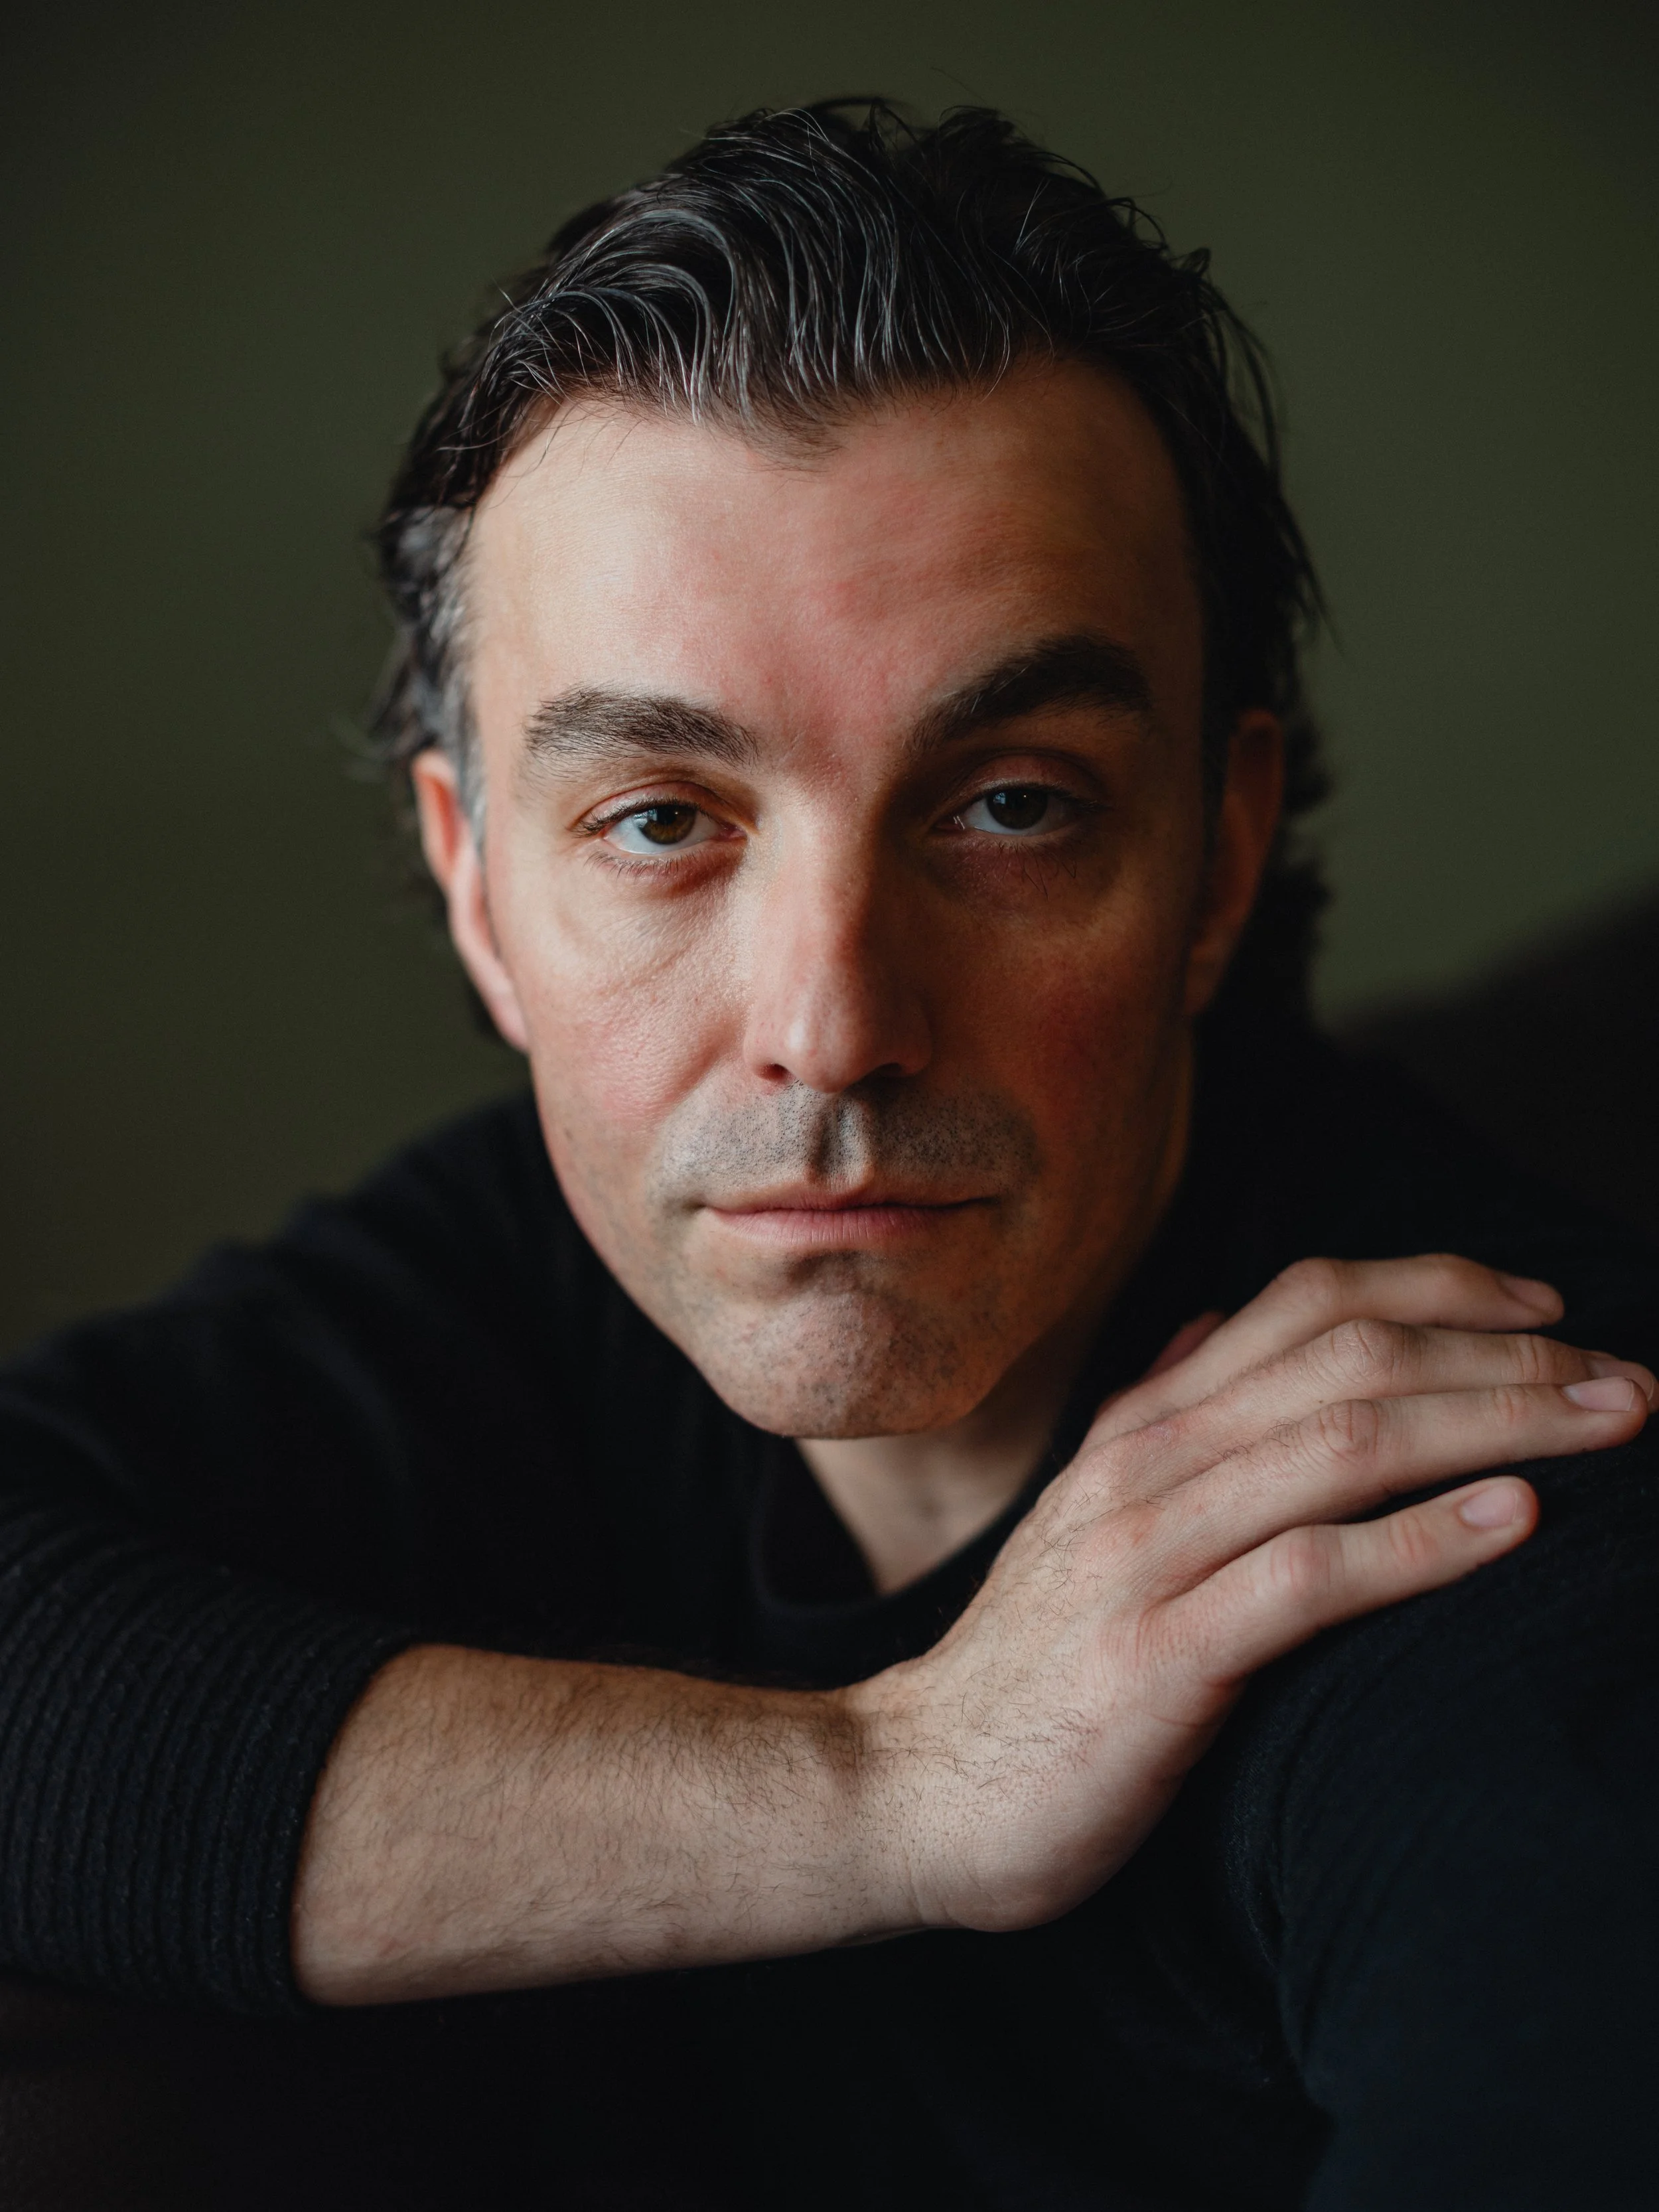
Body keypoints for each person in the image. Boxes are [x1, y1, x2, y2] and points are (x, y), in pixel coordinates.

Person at [1, 100, 1655, 2212]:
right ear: (480, 886)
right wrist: (894, 1778)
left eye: (1011, 804)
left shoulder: (1502, 1555)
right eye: (661, 820)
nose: (829, 1024)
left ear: (1217, 854)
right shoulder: (552, 1265)